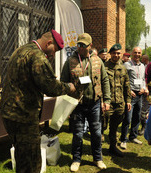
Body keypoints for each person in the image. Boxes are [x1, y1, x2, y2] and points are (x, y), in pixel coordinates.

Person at [0, 29, 76, 173]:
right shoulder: (38, 57)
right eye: (55, 50)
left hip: (9, 112)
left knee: (22, 155)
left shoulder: (21, 50)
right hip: (24, 116)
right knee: (32, 161)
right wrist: (68, 87)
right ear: (49, 43)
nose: (53, 55)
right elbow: (51, 87)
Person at [60, 33, 111, 172]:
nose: (81, 47)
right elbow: (63, 83)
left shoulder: (97, 61)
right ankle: (76, 159)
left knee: (96, 132)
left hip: (94, 103)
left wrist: (106, 100)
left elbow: (105, 80)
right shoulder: (70, 61)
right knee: (77, 134)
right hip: (77, 105)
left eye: (84, 45)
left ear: (90, 46)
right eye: (79, 45)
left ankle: (97, 158)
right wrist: (67, 106)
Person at [104, 43, 132, 157]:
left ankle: (113, 147)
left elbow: (127, 86)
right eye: (114, 53)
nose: (116, 55)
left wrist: (128, 100)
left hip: (119, 103)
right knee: (102, 125)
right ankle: (96, 147)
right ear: (110, 54)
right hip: (107, 103)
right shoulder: (104, 67)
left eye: (118, 53)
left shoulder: (123, 68)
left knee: (115, 127)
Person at [120, 47, 148, 149]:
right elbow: (122, 80)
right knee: (127, 118)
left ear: (141, 54)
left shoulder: (143, 66)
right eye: (135, 52)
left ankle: (133, 136)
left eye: (139, 53)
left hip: (139, 94)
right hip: (130, 95)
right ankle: (123, 139)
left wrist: (143, 88)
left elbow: (143, 79)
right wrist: (129, 91)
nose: (137, 54)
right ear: (132, 53)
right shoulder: (126, 65)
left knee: (137, 117)